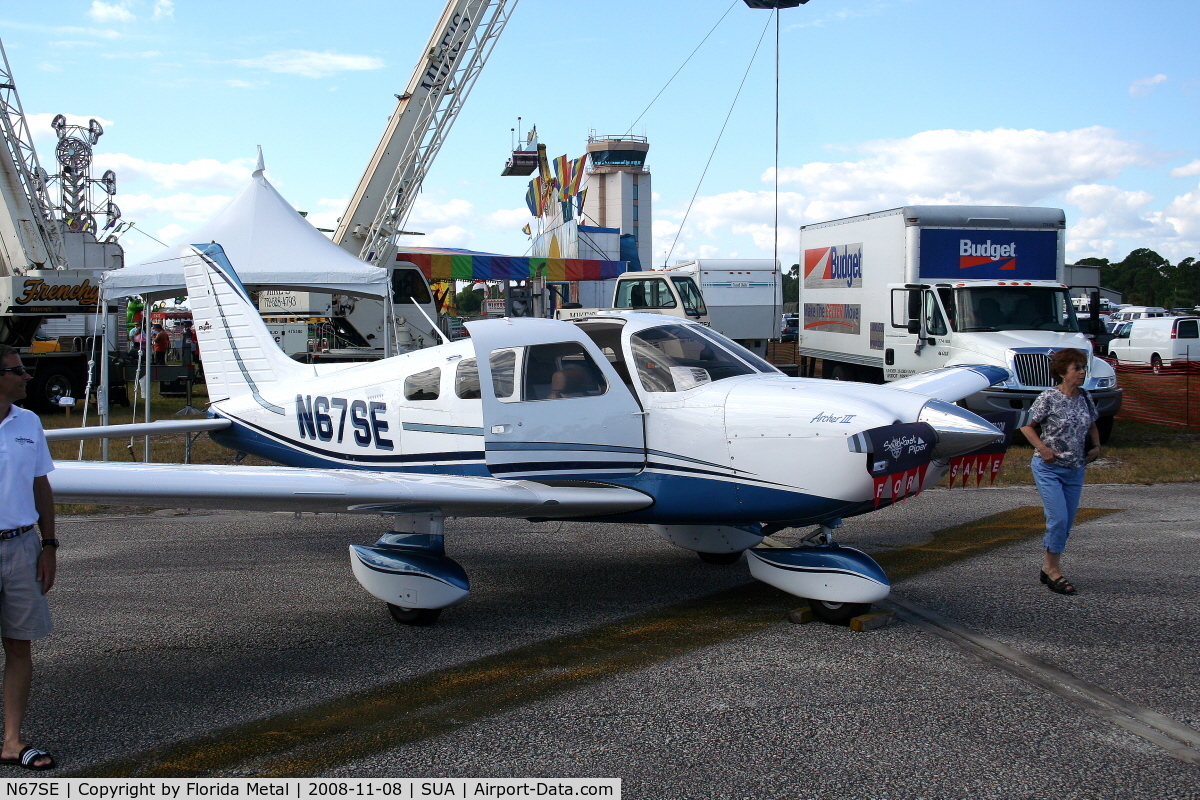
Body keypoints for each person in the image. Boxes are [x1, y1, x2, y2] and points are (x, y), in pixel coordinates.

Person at [0, 345, 58, 771]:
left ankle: (12, 740)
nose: (27, 377)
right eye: (19, 370)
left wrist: (50, 545)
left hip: (21, 545)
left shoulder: (30, 422)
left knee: (19, 645)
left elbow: (41, 486)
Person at [1019, 348, 1101, 595]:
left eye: (1083, 367)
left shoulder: (1085, 397)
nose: (1082, 372)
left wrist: (1096, 446)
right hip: (1049, 469)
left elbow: (1092, 423)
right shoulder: (1049, 398)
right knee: (1059, 519)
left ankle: (1047, 568)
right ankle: (1054, 571)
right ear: (1062, 372)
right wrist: (1042, 448)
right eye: (1077, 368)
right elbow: (1026, 426)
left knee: (1066, 523)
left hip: (1075, 469)